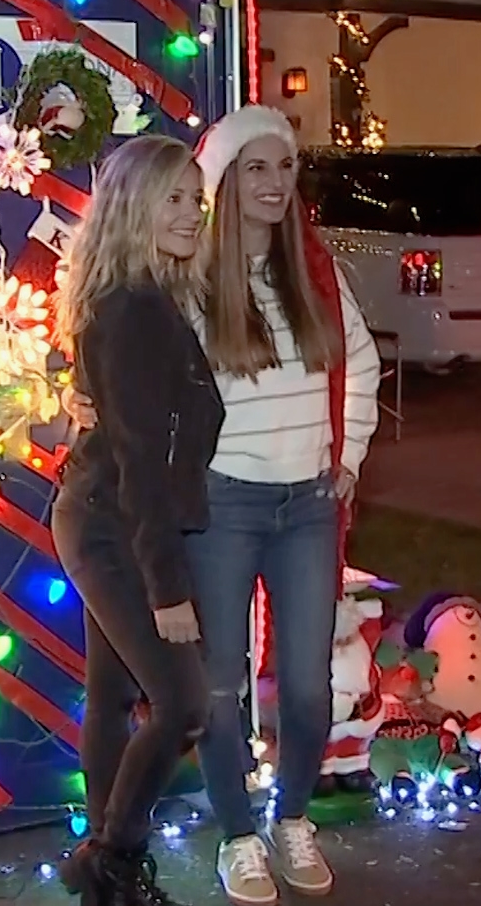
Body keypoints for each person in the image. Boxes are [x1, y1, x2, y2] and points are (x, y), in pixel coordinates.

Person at [67, 106, 382, 905]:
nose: (274, 186)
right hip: (189, 512)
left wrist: (345, 457)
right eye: (254, 169)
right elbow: (138, 422)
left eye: (287, 168)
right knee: (196, 695)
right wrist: (168, 585)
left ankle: (129, 856)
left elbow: (361, 363)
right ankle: (182, 847)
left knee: (280, 687)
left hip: (276, 505)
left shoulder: (292, 273)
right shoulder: (171, 288)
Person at [52, 134, 227, 906]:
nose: (194, 213)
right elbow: (138, 462)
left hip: (110, 517)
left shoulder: (147, 300)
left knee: (115, 697)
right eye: (177, 199)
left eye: (197, 198)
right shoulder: (132, 313)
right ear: (134, 206)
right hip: (113, 526)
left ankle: (104, 870)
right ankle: (111, 859)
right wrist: (167, 589)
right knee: (184, 703)